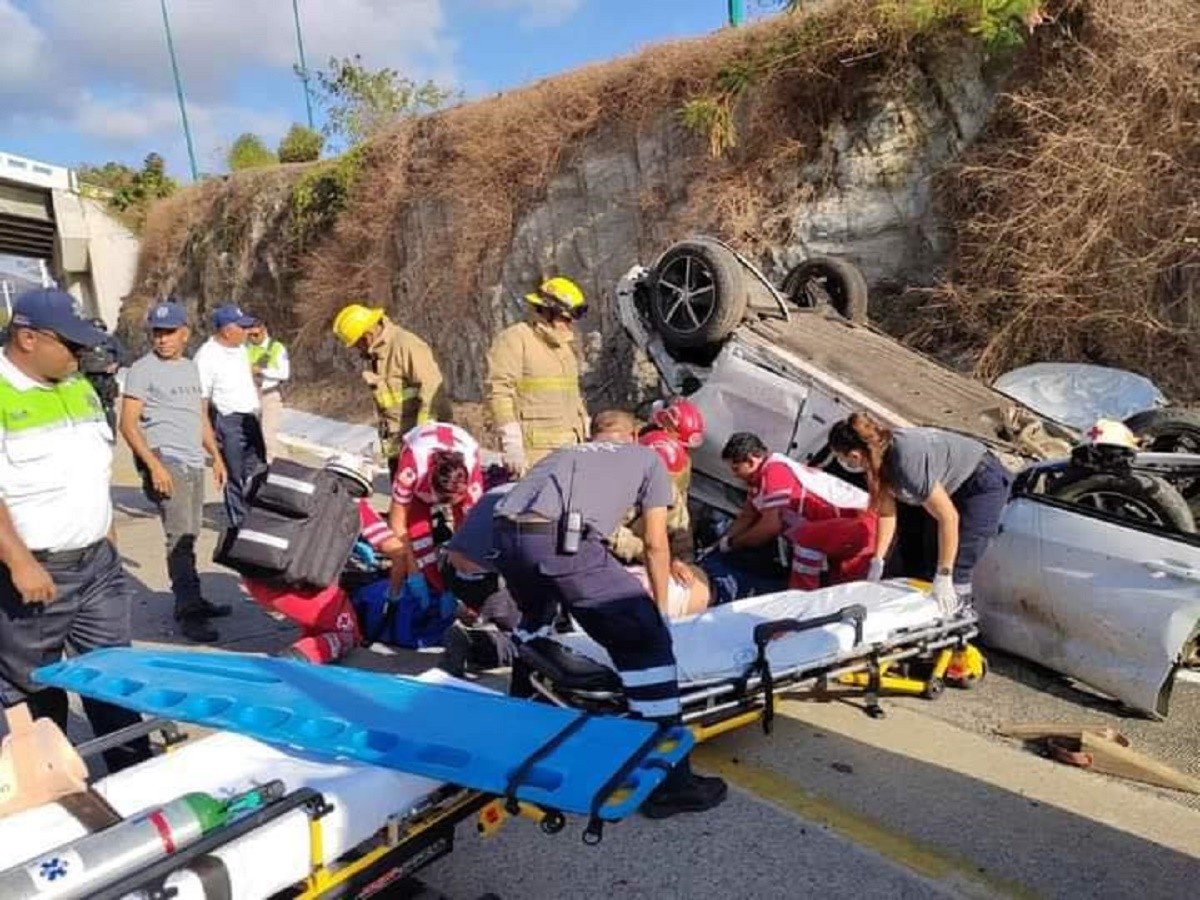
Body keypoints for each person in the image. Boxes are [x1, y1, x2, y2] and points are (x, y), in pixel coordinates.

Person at [491, 408, 727, 819]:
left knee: (536, 626)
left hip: (508, 538)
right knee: (645, 641)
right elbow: (656, 543)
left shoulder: (573, 452)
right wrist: (659, 616)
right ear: (636, 435)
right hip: (562, 542)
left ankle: (524, 736)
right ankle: (668, 784)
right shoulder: (649, 460)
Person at [0, 289, 151, 773]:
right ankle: (54, 787)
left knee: (114, 677)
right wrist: (19, 560)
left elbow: (90, 469)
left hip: (97, 565)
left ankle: (134, 773)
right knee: (36, 686)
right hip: (34, 573)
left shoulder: (77, 385)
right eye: (70, 344)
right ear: (27, 338)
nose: (80, 353)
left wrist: (104, 533)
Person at [120, 299, 232, 644]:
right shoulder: (143, 369)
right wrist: (154, 466)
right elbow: (127, 424)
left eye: (169, 332)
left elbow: (199, 416)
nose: (162, 339)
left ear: (185, 333)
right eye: (157, 333)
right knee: (178, 539)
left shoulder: (188, 368)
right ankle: (188, 611)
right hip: (167, 461)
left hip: (194, 462)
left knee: (191, 534)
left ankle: (193, 597)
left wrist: (216, 456)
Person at [827, 412, 1012, 615]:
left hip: (980, 481)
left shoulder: (905, 460)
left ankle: (956, 618)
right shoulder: (876, 460)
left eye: (841, 457)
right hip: (947, 485)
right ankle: (924, 615)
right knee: (928, 556)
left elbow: (948, 517)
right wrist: (878, 560)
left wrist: (944, 575)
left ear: (854, 455)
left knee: (957, 564)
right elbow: (887, 513)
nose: (843, 463)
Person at [245, 455, 410, 664]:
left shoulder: (299, 492)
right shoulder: (353, 505)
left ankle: (311, 640)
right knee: (349, 634)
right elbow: (397, 551)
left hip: (256, 577)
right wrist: (394, 594)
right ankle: (296, 658)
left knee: (323, 619)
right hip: (296, 589)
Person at [711, 432, 874, 598]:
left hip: (860, 525)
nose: (734, 475)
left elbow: (770, 526)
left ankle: (799, 602)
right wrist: (721, 544)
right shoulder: (758, 481)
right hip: (837, 532)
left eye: (736, 468)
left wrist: (734, 543)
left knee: (843, 594)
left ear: (752, 460)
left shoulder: (775, 471)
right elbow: (747, 516)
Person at [485, 277, 590, 476]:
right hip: (535, 456)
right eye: (565, 319)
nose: (569, 326)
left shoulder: (564, 347)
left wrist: (585, 425)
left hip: (571, 450)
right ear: (546, 311)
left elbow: (573, 395)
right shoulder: (515, 339)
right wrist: (511, 442)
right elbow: (499, 392)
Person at [331, 303, 446, 481]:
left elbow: (432, 390)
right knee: (402, 503)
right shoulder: (377, 354)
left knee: (423, 504)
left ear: (367, 336)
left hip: (421, 448)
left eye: (356, 345)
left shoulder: (406, 345)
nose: (357, 350)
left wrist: (423, 438)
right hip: (398, 446)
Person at [387, 422, 483, 593]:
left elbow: (473, 533)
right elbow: (397, 524)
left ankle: (455, 583)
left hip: (463, 444)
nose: (444, 506)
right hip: (419, 445)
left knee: (467, 532)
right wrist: (414, 570)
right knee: (417, 532)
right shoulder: (411, 469)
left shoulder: (472, 477)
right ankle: (431, 579)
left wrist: (463, 571)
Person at [195, 303, 265, 528]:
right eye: (242, 328)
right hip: (228, 422)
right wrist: (212, 447)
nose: (247, 332)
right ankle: (240, 525)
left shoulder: (241, 349)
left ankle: (259, 518)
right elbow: (201, 404)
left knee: (258, 471)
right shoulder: (206, 357)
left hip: (250, 419)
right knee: (234, 476)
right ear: (226, 330)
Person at [245, 318, 289, 462]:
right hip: (251, 395)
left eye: (256, 335)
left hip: (270, 395)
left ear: (264, 330)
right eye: (250, 335)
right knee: (253, 436)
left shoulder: (277, 348)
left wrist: (262, 371)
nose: (253, 338)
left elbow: (284, 373)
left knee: (268, 433)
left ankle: (275, 466)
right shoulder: (246, 348)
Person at [76, 317, 122, 432]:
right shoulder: (81, 343)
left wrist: (116, 364)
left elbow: (124, 356)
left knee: (108, 408)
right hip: (88, 379)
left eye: (99, 329)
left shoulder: (111, 341)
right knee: (90, 408)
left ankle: (111, 433)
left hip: (106, 379)